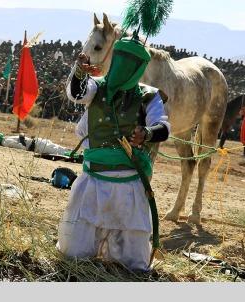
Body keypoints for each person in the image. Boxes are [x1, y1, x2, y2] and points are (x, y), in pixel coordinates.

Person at [57, 36, 170, 271]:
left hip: (130, 184)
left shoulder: (149, 95)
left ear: (139, 66)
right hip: (93, 181)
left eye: (131, 61)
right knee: (74, 254)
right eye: (122, 58)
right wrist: (79, 71)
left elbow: (163, 127)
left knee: (131, 263)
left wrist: (146, 134)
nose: (124, 65)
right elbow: (77, 94)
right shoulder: (97, 86)